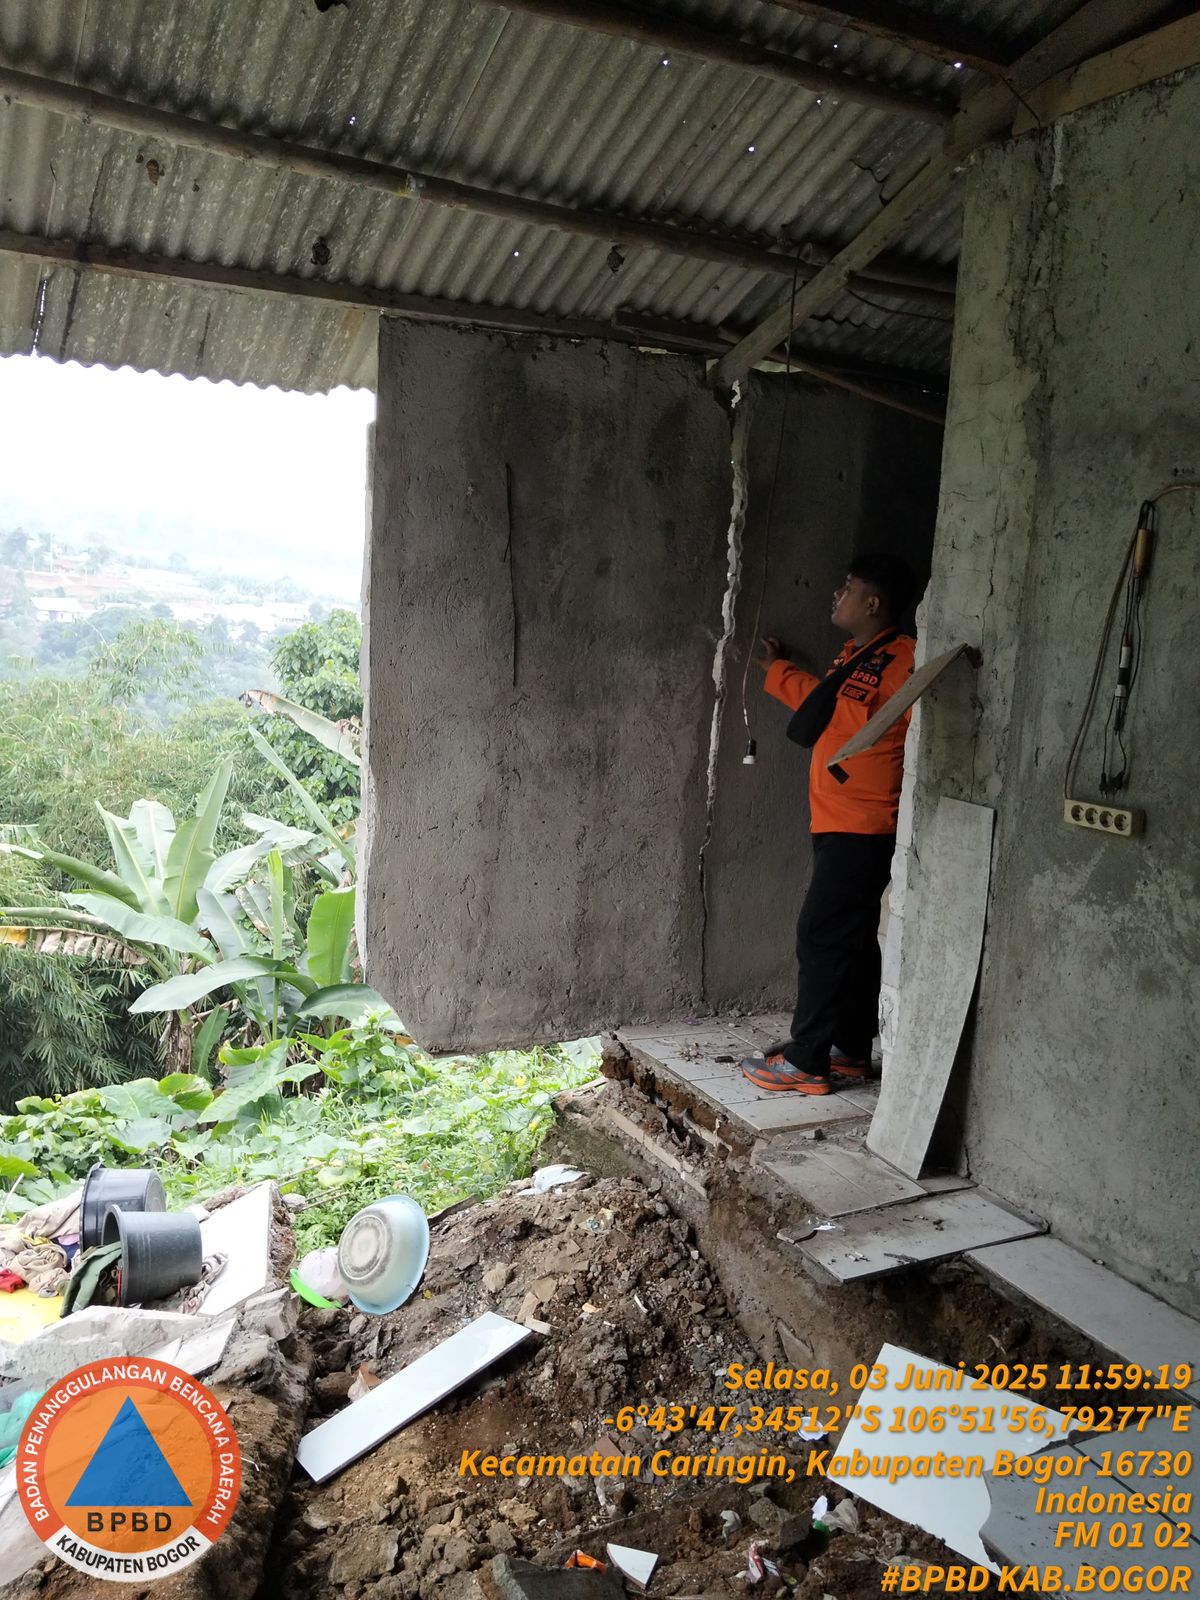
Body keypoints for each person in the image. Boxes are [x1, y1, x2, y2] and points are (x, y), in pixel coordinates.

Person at [741, 551, 919, 1096]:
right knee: (854, 937)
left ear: (874, 602)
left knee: (819, 933)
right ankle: (847, 1050)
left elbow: (851, 719)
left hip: (865, 822)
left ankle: (806, 1061)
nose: (835, 596)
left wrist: (787, 676)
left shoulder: (905, 658)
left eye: (847, 588)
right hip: (836, 816)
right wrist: (781, 671)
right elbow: (824, 707)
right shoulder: (856, 654)